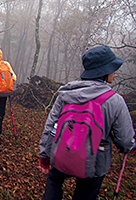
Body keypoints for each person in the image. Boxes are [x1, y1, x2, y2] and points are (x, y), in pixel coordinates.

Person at [38, 45, 136, 200]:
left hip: (61, 154)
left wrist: (45, 153)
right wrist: (130, 147)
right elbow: (125, 140)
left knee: (54, 182)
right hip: (94, 164)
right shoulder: (115, 101)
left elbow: (51, 126)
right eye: (113, 67)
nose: (115, 71)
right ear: (104, 70)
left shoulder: (66, 94)